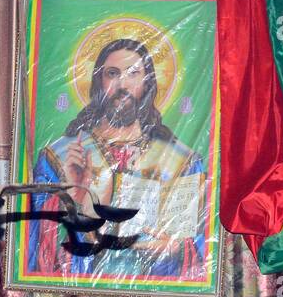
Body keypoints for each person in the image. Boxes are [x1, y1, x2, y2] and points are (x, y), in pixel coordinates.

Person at [28, 38, 206, 280]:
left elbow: (196, 247)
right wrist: (74, 199)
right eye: (112, 73)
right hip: (80, 291)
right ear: (99, 82)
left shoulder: (180, 161)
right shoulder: (59, 157)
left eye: (133, 73)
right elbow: (40, 246)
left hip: (154, 296)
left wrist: (174, 249)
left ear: (148, 83)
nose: (122, 84)